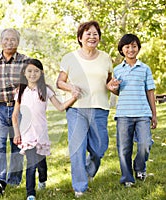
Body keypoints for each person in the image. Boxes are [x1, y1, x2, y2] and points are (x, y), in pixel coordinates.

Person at [56, 20, 113, 198]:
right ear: (80, 38)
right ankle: (80, 186)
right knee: (77, 147)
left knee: (100, 147)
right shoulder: (70, 58)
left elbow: (109, 82)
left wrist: (114, 86)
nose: (92, 36)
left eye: (95, 34)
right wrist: (71, 88)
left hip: (100, 107)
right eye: (88, 33)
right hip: (77, 108)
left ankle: (88, 170)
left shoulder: (105, 58)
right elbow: (60, 82)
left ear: (99, 38)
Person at [12, 59, 78, 200]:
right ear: (24, 73)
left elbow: (60, 107)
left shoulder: (45, 90)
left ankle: (42, 180)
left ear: (41, 73)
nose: (33, 74)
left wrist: (73, 98)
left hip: (41, 132)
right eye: (29, 71)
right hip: (27, 133)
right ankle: (31, 193)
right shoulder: (20, 91)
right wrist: (16, 133)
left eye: (36, 71)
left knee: (41, 164)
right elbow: (15, 115)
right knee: (31, 164)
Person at [106, 33, 157, 187]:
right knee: (124, 148)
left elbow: (150, 91)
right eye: (127, 46)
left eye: (134, 46)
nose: (131, 49)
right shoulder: (117, 70)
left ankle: (140, 167)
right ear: (122, 50)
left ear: (138, 48)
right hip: (123, 114)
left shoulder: (145, 68)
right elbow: (117, 90)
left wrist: (154, 114)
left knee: (145, 144)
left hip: (143, 113)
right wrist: (112, 88)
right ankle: (127, 178)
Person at [0, 28, 29, 195]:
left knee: (16, 145)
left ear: (18, 42)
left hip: (19, 108)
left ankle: (14, 180)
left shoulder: (26, 61)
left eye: (13, 39)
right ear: (1, 41)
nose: (9, 42)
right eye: (6, 39)